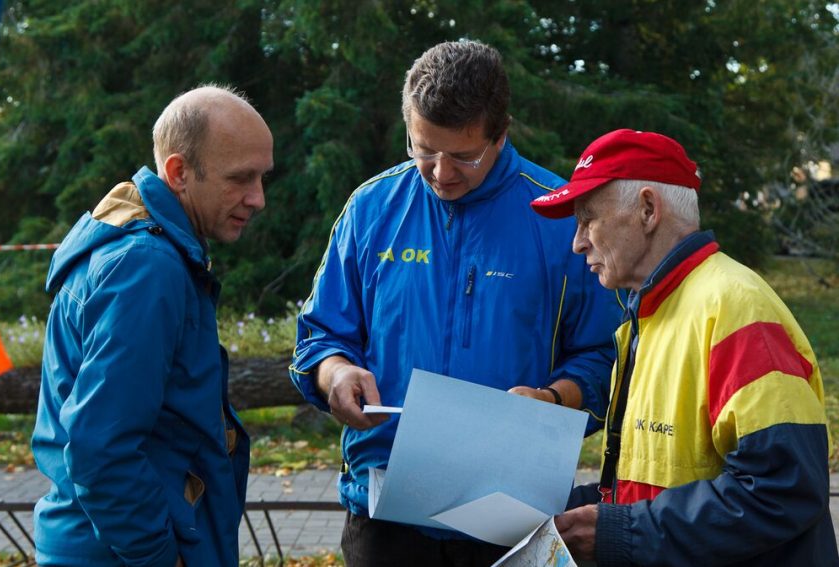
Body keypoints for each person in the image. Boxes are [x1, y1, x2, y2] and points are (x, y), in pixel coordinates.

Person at [289, 40, 622, 566]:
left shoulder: (560, 221)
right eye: (422, 149)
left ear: (501, 132)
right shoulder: (371, 208)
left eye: (464, 156)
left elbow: (608, 355)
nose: (441, 172)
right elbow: (318, 337)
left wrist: (554, 400)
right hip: (384, 514)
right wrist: (335, 374)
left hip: (511, 514)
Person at [531, 128, 838, 566]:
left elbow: (784, 489)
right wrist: (562, 504)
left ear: (648, 209)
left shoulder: (735, 308)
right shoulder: (649, 318)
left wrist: (620, 531)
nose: (577, 242)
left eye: (587, 219)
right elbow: (652, 482)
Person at [31, 85, 274, 567]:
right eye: (240, 179)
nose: (258, 198)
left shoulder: (144, 247)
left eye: (263, 177)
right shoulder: (147, 266)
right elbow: (101, 446)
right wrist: (160, 555)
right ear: (179, 172)